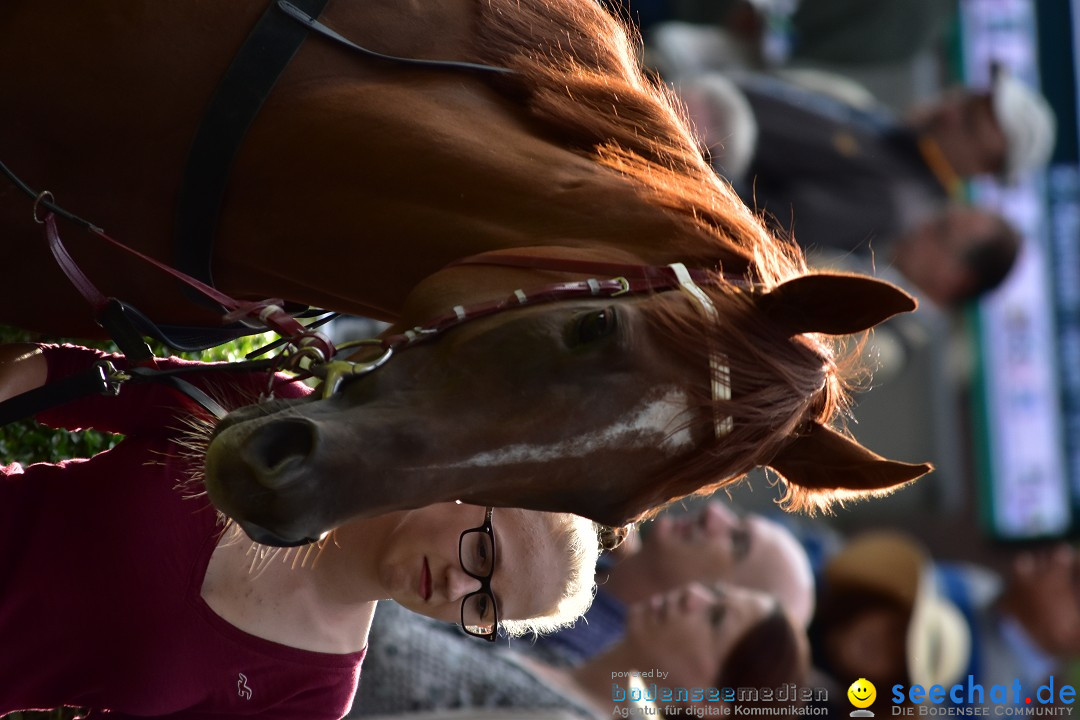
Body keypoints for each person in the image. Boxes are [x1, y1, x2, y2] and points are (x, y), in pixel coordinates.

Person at [0, 343, 601, 719]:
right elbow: (76, 379)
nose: (455, 586)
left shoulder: (310, 698)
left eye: (484, 604)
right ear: (472, 489)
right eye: (483, 555)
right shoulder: (288, 423)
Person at [676, 68, 1046, 305]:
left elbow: (758, 222)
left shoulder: (895, 202)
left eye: (967, 124)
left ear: (982, 168)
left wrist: (702, 147)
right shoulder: (888, 131)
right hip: (666, 102)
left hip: (663, 161)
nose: (951, 110)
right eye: (970, 99)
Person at [350, 581, 808, 718]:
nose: (694, 595)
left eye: (715, 618)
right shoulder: (558, 659)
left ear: (711, 703)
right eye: (715, 593)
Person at [523, 499, 815, 669]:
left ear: (728, 601)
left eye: (737, 541)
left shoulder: (587, 663)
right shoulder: (584, 529)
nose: (714, 511)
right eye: (737, 520)